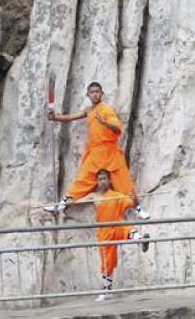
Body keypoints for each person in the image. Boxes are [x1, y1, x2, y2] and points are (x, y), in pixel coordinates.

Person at [47, 82, 148, 219]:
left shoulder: (107, 110)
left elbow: (117, 128)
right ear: (88, 94)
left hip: (110, 151)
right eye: (92, 92)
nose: (95, 94)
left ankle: (138, 208)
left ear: (102, 94)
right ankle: (61, 205)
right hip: (95, 153)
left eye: (97, 92)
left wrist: (105, 123)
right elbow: (70, 117)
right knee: (82, 180)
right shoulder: (89, 110)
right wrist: (56, 118)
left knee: (124, 182)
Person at [78, 170, 147, 301]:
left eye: (105, 178)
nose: (102, 181)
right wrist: (64, 205)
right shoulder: (93, 196)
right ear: (97, 182)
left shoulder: (115, 195)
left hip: (116, 226)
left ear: (110, 181)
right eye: (100, 179)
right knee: (107, 262)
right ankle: (107, 291)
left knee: (126, 228)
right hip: (104, 233)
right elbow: (77, 201)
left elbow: (131, 203)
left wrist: (135, 201)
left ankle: (140, 240)